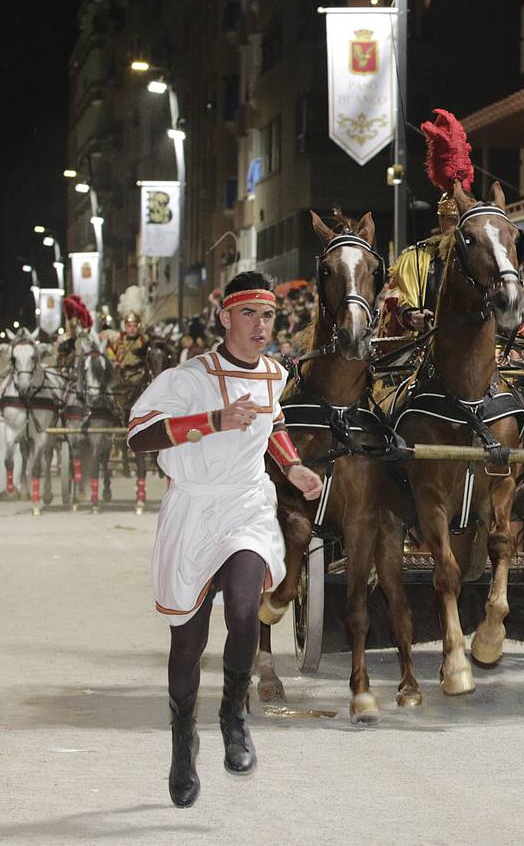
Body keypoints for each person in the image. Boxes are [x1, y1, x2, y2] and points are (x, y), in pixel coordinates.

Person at [127, 272, 324, 808]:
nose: (261, 326)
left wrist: (295, 467)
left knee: (244, 608)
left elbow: (273, 424)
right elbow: (139, 433)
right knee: (187, 643)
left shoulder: (275, 374)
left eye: (268, 316)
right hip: (192, 507)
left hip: (245, 505)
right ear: (225, 317)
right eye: (249, 315)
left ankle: (233, 716)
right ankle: (181, 740)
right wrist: (211, 419)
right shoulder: (187, 377)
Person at [382, 192, 457, 337]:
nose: (458, 225)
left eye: (464, 218)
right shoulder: (413, 258)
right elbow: (396, 299)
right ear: (440, 221)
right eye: (452, 219)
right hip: (429, 343)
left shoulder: (489, 257)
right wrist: (411, 315)